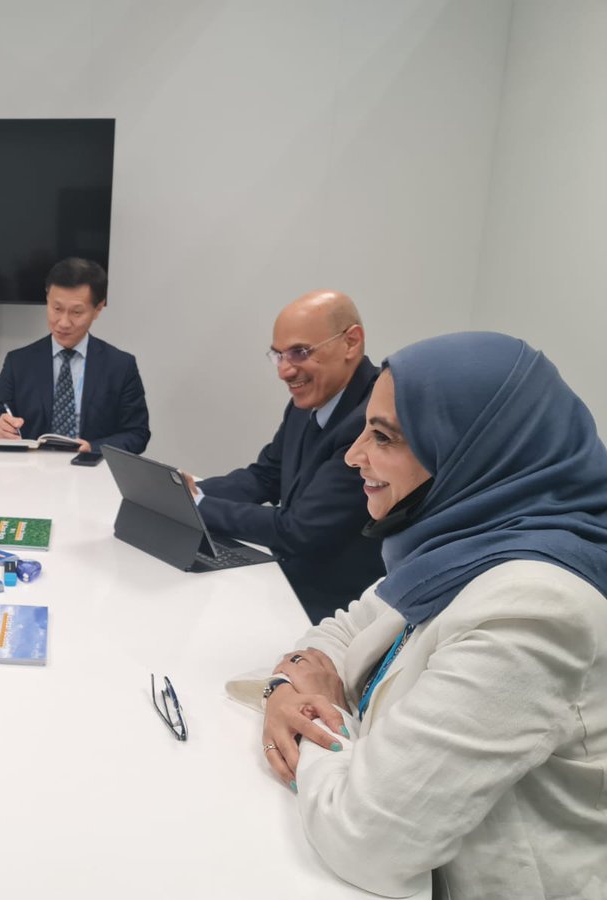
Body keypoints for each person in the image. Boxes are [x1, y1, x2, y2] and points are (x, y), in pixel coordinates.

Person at [254, 332, 607, 898]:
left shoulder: (536, 608)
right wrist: (287, 681)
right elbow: (344, 625)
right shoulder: (459, 545)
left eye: (383, 436)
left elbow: (368, 838)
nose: (353, 455)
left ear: (474, 448)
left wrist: (307, 717)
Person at [188, 291, 384, 623]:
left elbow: (298, 530)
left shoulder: (371, 422)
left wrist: (198, 505)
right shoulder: (308, 402)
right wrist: (192, 489)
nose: (284, 371)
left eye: (300, 352)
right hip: (286, 582)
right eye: (278, 355)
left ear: (351, 342)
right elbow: (265, 476)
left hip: (331, 612)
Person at [0, 258, 150, 454]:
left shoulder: (120, 366)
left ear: (98, 308)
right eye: (56, 309)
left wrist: (93, 448)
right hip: (29, 474)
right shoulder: (18, 362)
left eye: (76, 312)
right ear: (47, 299)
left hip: (91, 473)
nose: (63, 322)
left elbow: (137, 434)